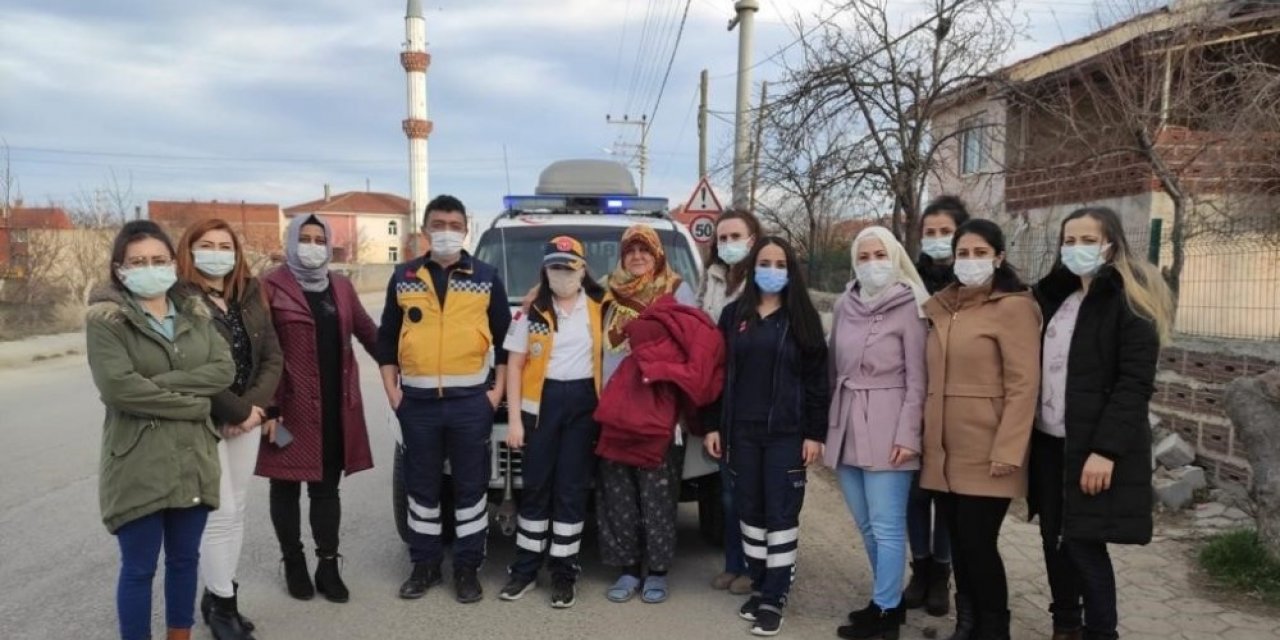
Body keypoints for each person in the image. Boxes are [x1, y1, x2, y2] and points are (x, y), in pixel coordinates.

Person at [86, 220, 235, 640]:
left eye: (158, 259)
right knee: (139, 568)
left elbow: (222, 369)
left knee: (185, 561)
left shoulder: (195, 312)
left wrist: (160, 385)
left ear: (173, 263)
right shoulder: (107, 320)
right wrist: (193, 405)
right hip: (138, 461)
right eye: (138, 261)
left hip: (193, 458)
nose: (149, 267)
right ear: (119, 269)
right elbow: (118, 387)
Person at [1030, 207, 1171, 640]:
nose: (1076, 249)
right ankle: (1065, 624)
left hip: (1093, 448)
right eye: (1069, 241)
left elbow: (1134, 384)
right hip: (1051, 443)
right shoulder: (1056, 297)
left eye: (1087, 240)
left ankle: (1101, 632)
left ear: (1110, 243)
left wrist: (1105, 452)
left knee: (1084, 545)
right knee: (1054, 540)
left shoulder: (1129, 300)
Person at [380, 195, 511, 604]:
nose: (447, 232)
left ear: (465, 230)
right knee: (422, 489)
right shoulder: (403, 276)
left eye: (455, 225)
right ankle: (424, 566)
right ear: (425, 229)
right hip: (416, 405)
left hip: (471, 403)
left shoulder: (486, 276)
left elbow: (508, 345)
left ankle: (467, 570)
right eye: (439, 224)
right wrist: (393, 394)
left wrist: (495, 395)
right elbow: (386, 340)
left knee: (471, 491)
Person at [920, 219, 1041, 640]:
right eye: (963, 254)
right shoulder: (945, 306)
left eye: (979, 253)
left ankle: (994, 628)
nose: (970, 261)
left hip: (987, 448)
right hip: (944, 449)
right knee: (958, 542)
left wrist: (1009, 450)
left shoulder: (1014, 307)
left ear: (999, 257)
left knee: (978, 544)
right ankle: (967, 624)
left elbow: (1024, 384)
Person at [703, 236, 828, 637]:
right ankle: (759, 584)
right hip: (741, 433)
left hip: (786, 435)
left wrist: (814, 433)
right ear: (754, 268)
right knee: (749, 514)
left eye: (779, 263)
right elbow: (716, 375)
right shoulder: (733, 315)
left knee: (780, 516)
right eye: (764, 262)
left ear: (790, 270)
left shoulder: (803, 318)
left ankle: (775, 597)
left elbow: (817, 382)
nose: (771, 270)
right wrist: (712, 425)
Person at [259, 215, 378, 604]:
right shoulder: (271, 287)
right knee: (286, 485)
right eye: (304, 238)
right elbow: (262, 349)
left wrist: (408, 362)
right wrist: (268, 406)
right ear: (291, 242)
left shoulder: (341, 286)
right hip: (285, 409)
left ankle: (327, 565)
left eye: (319, 239)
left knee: (327, 489)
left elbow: (367, 332)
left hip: (333, 407)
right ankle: (293, 561)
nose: (312, 245)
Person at [176, 220, 283, 640]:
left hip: (248, 417)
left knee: (237, 508)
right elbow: (188, 364)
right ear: (190, 250)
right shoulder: (179, 298)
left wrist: (254, 408)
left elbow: (272, 355)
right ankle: (222, 609)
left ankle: (219, 594)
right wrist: (238, 411)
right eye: (206, 245)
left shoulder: (250, 292)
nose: (216, 252)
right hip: (205, 419)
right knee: (218, 513)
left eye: (225, 245)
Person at [828, 227, 930, 640]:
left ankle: (887, 612)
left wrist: (909, 435)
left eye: (880, 254)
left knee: (888, 526)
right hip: (846, 422)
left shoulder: (912, 305)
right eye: (864, 256)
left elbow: (919, 380)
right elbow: (833, 367)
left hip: (890, 426)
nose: (873, 263)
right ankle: (887, 598)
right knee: (866, 525)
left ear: (895, 256)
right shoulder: (843, 304)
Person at [498, 236, 609, 609]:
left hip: (582, 408)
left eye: (569, 266)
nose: (562, 273)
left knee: (572, 490)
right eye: (555, 266)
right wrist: (514, 420)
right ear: (545, 270)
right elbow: (514, 365)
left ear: (583, 268)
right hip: (540, 410)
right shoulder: (529, 312)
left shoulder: (599, 307)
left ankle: (564, 572)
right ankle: (525, 570)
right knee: (537, 488)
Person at [596, 224, 697, 606]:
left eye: (645, 250)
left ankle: (656, 571)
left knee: (657, 494)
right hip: (614, 410)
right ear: (622, 256)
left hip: (660, 411)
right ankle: (626, 567)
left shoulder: (676, 291)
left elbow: (693, 347)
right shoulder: (607, 291)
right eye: (630, 250)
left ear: (658, 255)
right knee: (617, 493)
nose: (637, 257)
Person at [904, 195, 971, 615]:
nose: (937, 239)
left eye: (946, 232)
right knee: (914, 495)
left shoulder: (974, 287)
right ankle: (921, 569)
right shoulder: (908, 282)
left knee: (946, 496)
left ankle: (942, 576)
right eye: (930, 232)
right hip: (913, 403)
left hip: (957, 407)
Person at [697, 209, 763, 596]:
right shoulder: (712, 279)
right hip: (721, 394)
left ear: (754, 238)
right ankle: (734, 563)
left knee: (756, 491)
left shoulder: (769, 278)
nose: (729, 244)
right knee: (729, 492)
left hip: (756, 396)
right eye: (723, 237)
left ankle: (759, 569)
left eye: (736, 236)